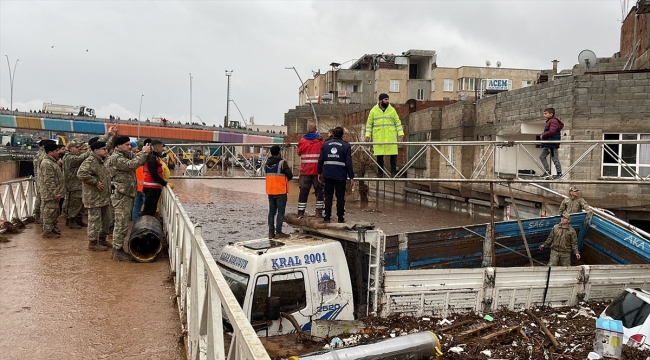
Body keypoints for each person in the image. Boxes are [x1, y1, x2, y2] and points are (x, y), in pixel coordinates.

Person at [108, 136, 151, 261]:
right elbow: (132, 165)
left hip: (126, 193)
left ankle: (118, 249)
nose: (129, 147)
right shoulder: (116, 158)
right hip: (121, 194)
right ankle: (117, 251)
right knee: (121, 224)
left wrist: (148, 153)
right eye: (126, 145)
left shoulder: (126, 154)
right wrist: (143, 153)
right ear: (118, 145)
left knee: (124, 223)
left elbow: (140, 161)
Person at [77, 141, 112, 251]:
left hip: (103, 196)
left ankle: (102, 239)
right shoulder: (90, 161)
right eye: (103, 149)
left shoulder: (102, 161)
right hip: (93, 197)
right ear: (96, 151)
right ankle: (93, 242)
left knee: (106, 219)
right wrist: (95, 182)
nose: (106, 151)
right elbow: (81, 173)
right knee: (95, 221)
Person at [318, 126, 355, 224]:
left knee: (328, 196)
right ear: (343, 135)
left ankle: (327, 218)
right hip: (341, 176)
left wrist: (319, 172)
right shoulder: (346, 146)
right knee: (340, 197)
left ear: (333, 134)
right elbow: (348, 163)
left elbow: (320, 160)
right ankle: (341, 218)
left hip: (328, 174)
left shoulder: (325, 145)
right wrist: (351, 177)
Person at [364, 93, 404, 177]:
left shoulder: (392, 110)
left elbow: (397, 122)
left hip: (390, 136)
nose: (387, 101)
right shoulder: (373, 111)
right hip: (379, 137)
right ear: (380, 100)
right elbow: (369, 124)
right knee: (379, 156)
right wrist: (367, 135)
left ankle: (393, 172)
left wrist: (401, 133)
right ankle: (380, 173)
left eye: (388, 99)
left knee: (393, 155)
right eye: (385, 99)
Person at [296, 122, 324, 219]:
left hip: (305, 171)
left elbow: (299, 152)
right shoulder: (321, 141)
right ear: (315, 129)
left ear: (308, 129)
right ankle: (319, 213)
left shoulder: (303, 140)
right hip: (318, 171)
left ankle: (300, 213)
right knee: (320, 192)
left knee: (303, 192)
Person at [265, 145, 293, 239]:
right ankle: (279, 233)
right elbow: (290, 175)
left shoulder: (267, 163)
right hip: (280, 191)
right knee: (280, 212)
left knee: (271, 212)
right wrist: (283, 181)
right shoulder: (282, 163)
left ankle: (270, 233)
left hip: (270, 191)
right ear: (279, 152)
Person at [39, 142, 65, 238]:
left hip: (54, 193)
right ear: (50, 152)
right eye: (56, 151)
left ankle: (52, 228)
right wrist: (56, 192)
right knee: (49, 212)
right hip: (50, 193)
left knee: (54, 211)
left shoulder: (52, 161)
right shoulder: (46, 163)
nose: (58, 152)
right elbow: (49, 179)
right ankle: (47, 231)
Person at [62, 139, 90, 229]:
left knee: (80, 204)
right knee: (73, 204)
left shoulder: (74, 156)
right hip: (73, 185)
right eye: (77, 147)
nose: (79, 149)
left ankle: (78, 219)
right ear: (71, 149)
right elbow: (82, 157)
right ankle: (71, 220)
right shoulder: (70, 158)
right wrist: (92, 149)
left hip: (78, 184)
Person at [141, 140, 167, 216]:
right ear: (156, 148)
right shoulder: (152, 158)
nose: (163, 149)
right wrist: (164, 183)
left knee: (151, 209)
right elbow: (154, 174)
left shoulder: (155, 157)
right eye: (162, 147)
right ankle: (144, 226)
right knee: (149, 210)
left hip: (153, 188)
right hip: (151, 188)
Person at [33, 139, 55, 223]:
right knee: (41, 198)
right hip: (42, 180)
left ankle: (39, 216)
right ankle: (38, 215)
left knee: (41, 198)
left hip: (40, 179)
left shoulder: (40, 154)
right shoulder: (42, 155)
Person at [539, 107, 564, 179]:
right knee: (542, 156)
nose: (544, 115)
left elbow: (552, 132)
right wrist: (543, 134)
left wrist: (543, 135)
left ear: (551, 114)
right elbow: (549, 131)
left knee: (555, 158)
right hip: (548, 143)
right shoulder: (549, 121)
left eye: (545, 113)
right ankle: (547, 171)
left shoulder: (553, 121)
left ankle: (559, 173)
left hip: (552, 143)